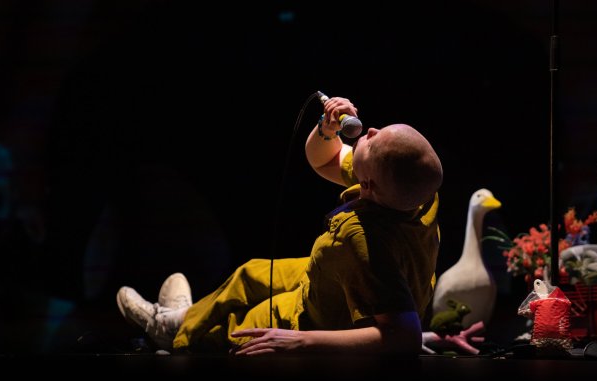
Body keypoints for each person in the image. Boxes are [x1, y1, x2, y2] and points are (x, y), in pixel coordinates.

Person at [116, 96, 444, 355]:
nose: (370, 131)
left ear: (369, 185)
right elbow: (323, 159)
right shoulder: (413, 193)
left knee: (245, 323)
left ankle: (173, 333)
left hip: (325, 319)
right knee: (252, 272)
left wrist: (302, 342)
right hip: (327, 277)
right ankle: (185, 317)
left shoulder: (362, 239)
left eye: (374, 143)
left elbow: (403, 335)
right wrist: (327, 130)